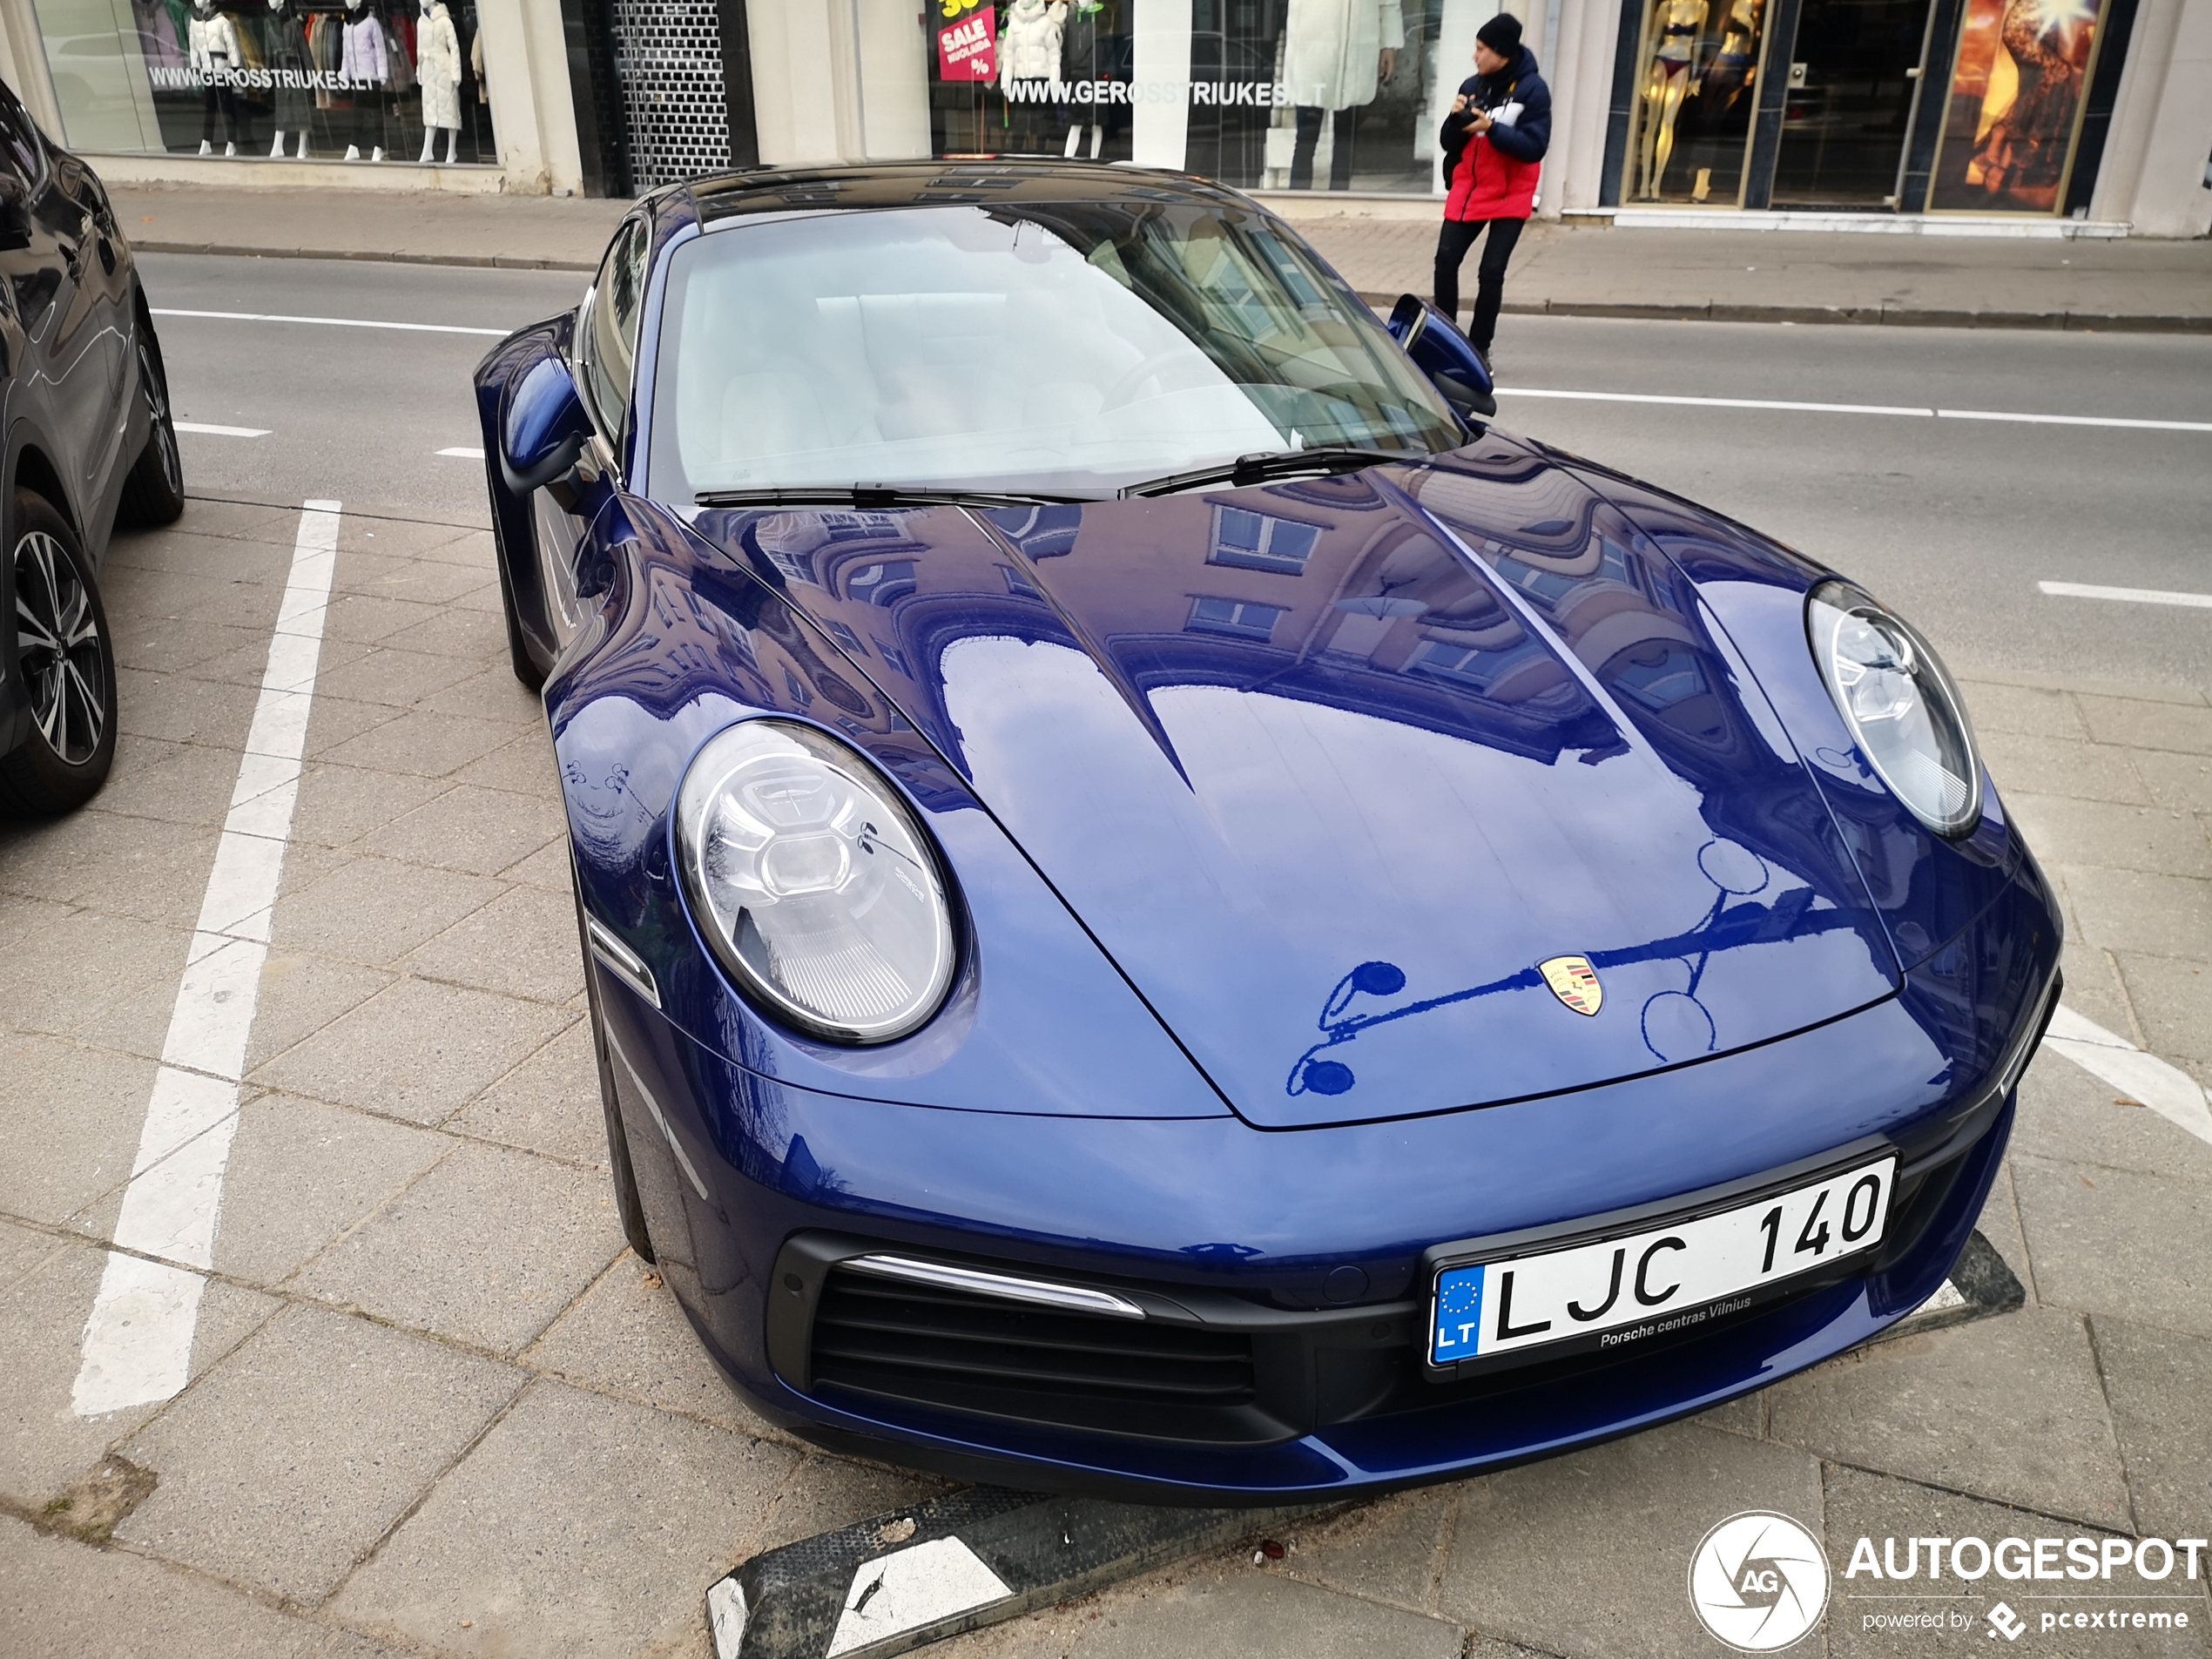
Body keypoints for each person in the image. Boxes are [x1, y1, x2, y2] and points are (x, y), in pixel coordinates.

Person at [1434, 13, 1551, 367]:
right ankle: (1445, 340)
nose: (1475, 56)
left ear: (1501, 53)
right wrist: (1456, 120)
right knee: (1446, 260)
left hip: (1511, 193)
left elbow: (1535, 146)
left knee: (1491, 272)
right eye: (1475, 48)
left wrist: (1491, 128)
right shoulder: (1472, 84)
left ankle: (1478, 348)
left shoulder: (1533, 90)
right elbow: (1447, 142)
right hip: (1471, 188)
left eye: (1482, 49)